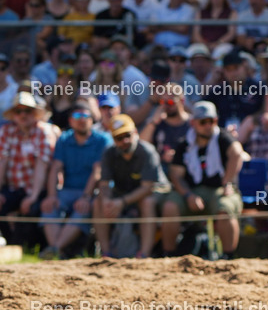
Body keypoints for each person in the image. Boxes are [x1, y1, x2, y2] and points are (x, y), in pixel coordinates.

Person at [162, 101, 246, 259]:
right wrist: (188, 195)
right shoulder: (185, 144)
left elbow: (237, 154)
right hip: (191, 191)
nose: (208, 126)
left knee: (225, 207)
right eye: (203, 122)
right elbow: (176, 175)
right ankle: (169, 256)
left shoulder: (223, 138)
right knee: (170, 206)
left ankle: (228, 257)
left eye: (211, 121)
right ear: (193, 123)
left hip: (218, 190)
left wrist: (227, 182)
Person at [39, 102, 111, 260]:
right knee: (49, 206)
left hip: (92, 192)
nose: (82, 120)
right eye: (77, 116)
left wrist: (86, 196)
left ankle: (55, 249)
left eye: (85, 116)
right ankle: (56, 251)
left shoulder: (102, 140)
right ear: (70, 120)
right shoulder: (64, 139)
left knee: (83, 208)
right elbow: (55, 168)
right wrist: (51, 195)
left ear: (92, 120)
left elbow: (97, 171)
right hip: (67, 191)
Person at [95, 114, 162, 258]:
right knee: (98, 202)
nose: (124, 141)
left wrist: (122, 202)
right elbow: (104, 184)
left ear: (135, 132)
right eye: (119, 138)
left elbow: (147, 188)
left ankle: (144, 254)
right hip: (124, 194)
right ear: (113, 139)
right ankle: (106, 254)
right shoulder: (109, 152)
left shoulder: (147, 151)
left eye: (127, 135)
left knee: (146, 202)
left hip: (153, 193)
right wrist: (106, 200)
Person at [0, 92, 53, 246]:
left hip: (38, 189)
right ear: (14, 115)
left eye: (27, 111)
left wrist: (33, 196)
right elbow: (2, 163)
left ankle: (31, 247)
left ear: (34, 113)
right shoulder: (6, 131)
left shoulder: (43, 132)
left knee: (33, 209)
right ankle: (10, 244)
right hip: (12, 188)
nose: (23, 115)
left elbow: (42, 166)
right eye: (19, 111)